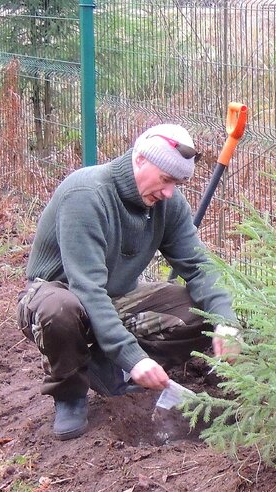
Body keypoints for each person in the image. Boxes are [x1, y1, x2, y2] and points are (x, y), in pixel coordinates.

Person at [17, 123, 239, 440]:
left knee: (197, 312)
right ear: (139, 159)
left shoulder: (167, 204)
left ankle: (108, 364)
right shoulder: (87, 195)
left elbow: (199, 266)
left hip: (118, 297)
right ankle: (69, 392)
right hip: (60, 297)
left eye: (176, 183)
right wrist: (133, 358)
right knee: (59, 311)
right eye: (165, 180)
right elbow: (87, 291)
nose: (168, 192)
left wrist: (225, 322)